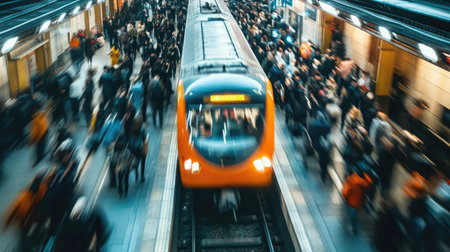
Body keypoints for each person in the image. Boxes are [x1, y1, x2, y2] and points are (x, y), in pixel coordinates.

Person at [342, 168, 373, 234]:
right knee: (354, 214)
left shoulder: (351, 179)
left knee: (351, 214)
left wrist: (345, 197)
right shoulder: (363, 182)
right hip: (358, 202)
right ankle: (353, 226)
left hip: (350, 201)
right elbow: (369, 182)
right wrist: (366, 175)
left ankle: (352, 226)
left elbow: (345, 192)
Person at [128, 117, 147, 182]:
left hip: (133, 149)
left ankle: (136, 172)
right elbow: (144, 138)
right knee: (143, 162)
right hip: (140, 148)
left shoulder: (131, 129)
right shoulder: (141, 129)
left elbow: (130, 139)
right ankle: (142, 176)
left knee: (136, 161)